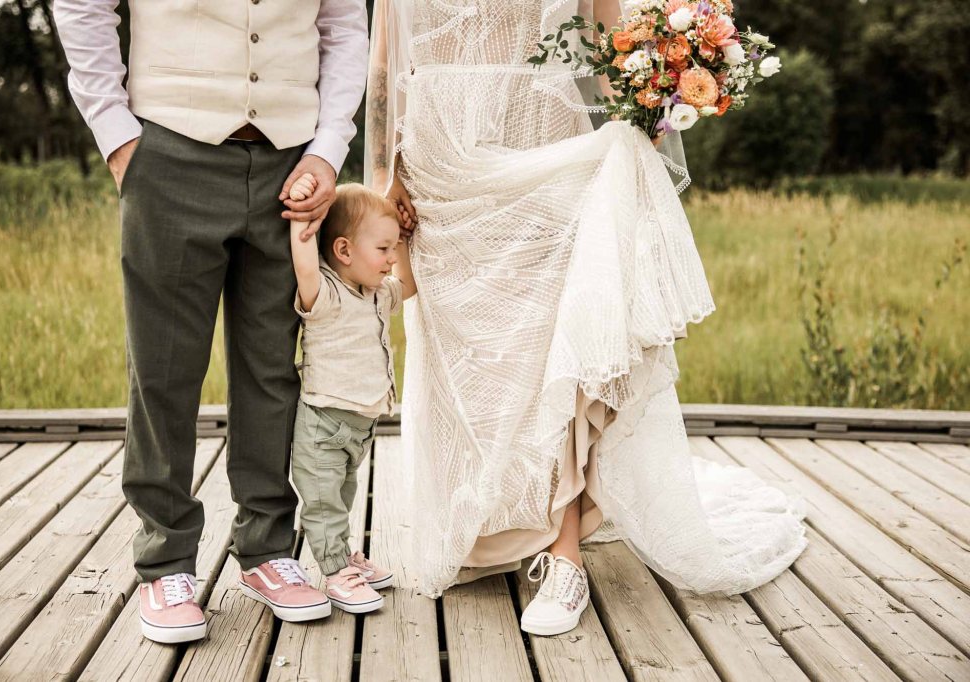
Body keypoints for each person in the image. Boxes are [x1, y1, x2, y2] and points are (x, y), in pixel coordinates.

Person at [366, 0, 807, 637]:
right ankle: (487, 520)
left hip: (545, 141)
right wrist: (384, 171)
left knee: (556, 346)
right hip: (438, 158)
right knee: (471, 357)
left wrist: (649, 111)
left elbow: (609, 37)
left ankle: (564, 552)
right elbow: (384, 61)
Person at [53, 0, 369, 643]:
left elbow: (342, 26)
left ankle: (267, 548)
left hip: (291, 162)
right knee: (165, 372)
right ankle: (165, 560)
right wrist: (118, 137)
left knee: (273, 369)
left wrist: (329, 149)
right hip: (168, 153)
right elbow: (80, 7)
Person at [281, 179, 417, 615]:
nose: (391, 258)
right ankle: (336, 572)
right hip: (324, 425)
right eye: (383, 249)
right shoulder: (325, 293)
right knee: (324, 505)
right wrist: (305, 215)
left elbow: (408, 285)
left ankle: (342, 556)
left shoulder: (377, 292)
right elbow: (304, 262)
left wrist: (407, 241)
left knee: (341, 497)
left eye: (392, 248)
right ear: (343, 251)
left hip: (358, 429)